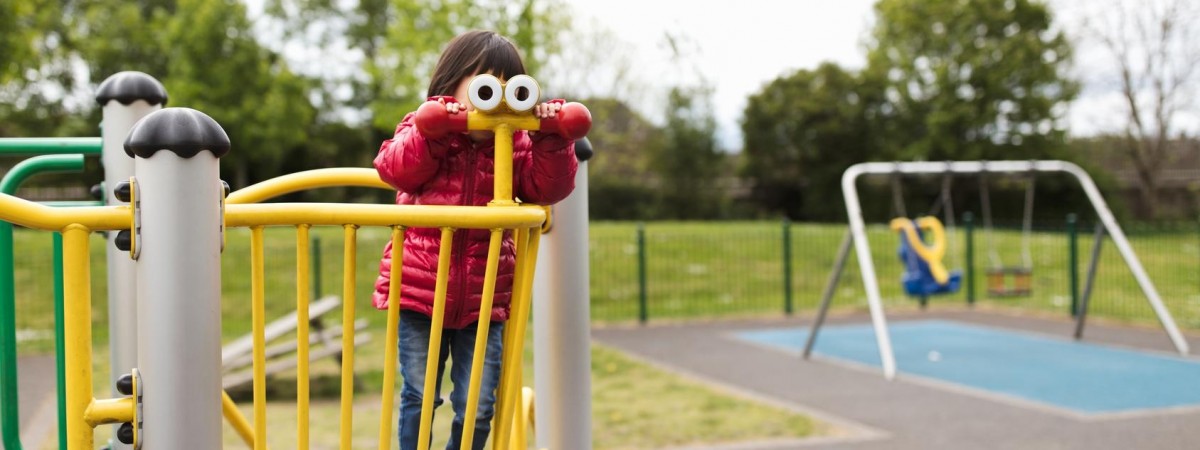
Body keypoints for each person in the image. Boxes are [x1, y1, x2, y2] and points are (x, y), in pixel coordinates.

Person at [371, 30, 578, 450]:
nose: (497, 97)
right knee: (419, 395)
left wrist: (550, 136)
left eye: (509, 86)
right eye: (485, 84)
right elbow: (395, 170)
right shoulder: (423, 127)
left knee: (479, 402)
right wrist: (435, 130)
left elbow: (548, 188)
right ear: (450, 84)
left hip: (487, 296)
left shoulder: (517, 143)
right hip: (420, 293)